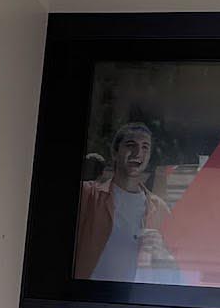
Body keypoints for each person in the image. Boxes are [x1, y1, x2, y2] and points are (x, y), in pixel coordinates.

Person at [75, 120, 174, 282]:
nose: (137, 153)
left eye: (145, 147)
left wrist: (161, 253)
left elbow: (173, 267)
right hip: (88, 298)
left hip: (132, 301)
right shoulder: (88, 195)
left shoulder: (160, 208)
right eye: (130, 145)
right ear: (115, 153)